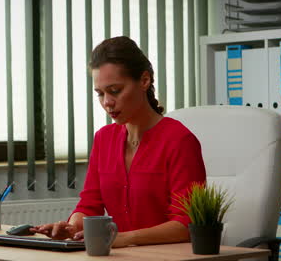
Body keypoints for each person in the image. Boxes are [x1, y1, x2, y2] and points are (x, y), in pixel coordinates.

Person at [31, 36, 206, 247]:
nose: (107, 102)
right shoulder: (104, 139)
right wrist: (73, 227)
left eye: (115, 91)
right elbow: (89, 205)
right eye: (100, 94)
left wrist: (123, 238)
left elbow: (187, 223)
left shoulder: (180, 141)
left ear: (144, 80)